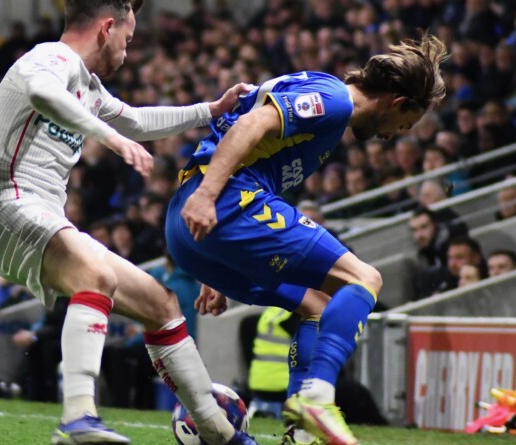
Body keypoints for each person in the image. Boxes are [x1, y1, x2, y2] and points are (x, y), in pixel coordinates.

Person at [0, 1, 255, 444]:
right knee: (95, 275)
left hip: (41, 213)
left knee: (161, 304)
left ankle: (219, 432)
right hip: (3, 204)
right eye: (128, 37)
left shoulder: (89, 86)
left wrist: (212, 110)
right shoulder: (51, 59)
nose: (127, 48)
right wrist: (110, 138)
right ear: (107, 29)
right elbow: (43, 94)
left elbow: (136, 120)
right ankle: (78, 416)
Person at [166, 34, 448, 445]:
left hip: (192, 226)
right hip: (224, 202)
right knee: (364, 278)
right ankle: (317, 397)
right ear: (397, 102)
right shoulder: (333, 101)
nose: (393, 135)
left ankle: (301, 434)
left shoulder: (323, 97)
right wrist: (209, 196)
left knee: (316, 304)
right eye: (404, 124)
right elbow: (250, 124)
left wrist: (217, 259)